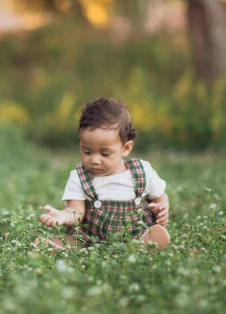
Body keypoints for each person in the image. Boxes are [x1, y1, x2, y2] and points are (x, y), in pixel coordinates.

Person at [37, 97, 170, 249]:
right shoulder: (79, 177)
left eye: (105, 154)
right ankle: (57, 248)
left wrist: (162, 208)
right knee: (71, 241)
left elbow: (160, 196)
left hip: (136, 236)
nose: (94, 160)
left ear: (125, 148)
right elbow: (76, 211)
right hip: (91, 240)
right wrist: (62, 216)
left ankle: (144, 245)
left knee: (151, 236)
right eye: (86, 151)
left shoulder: (142, 171)